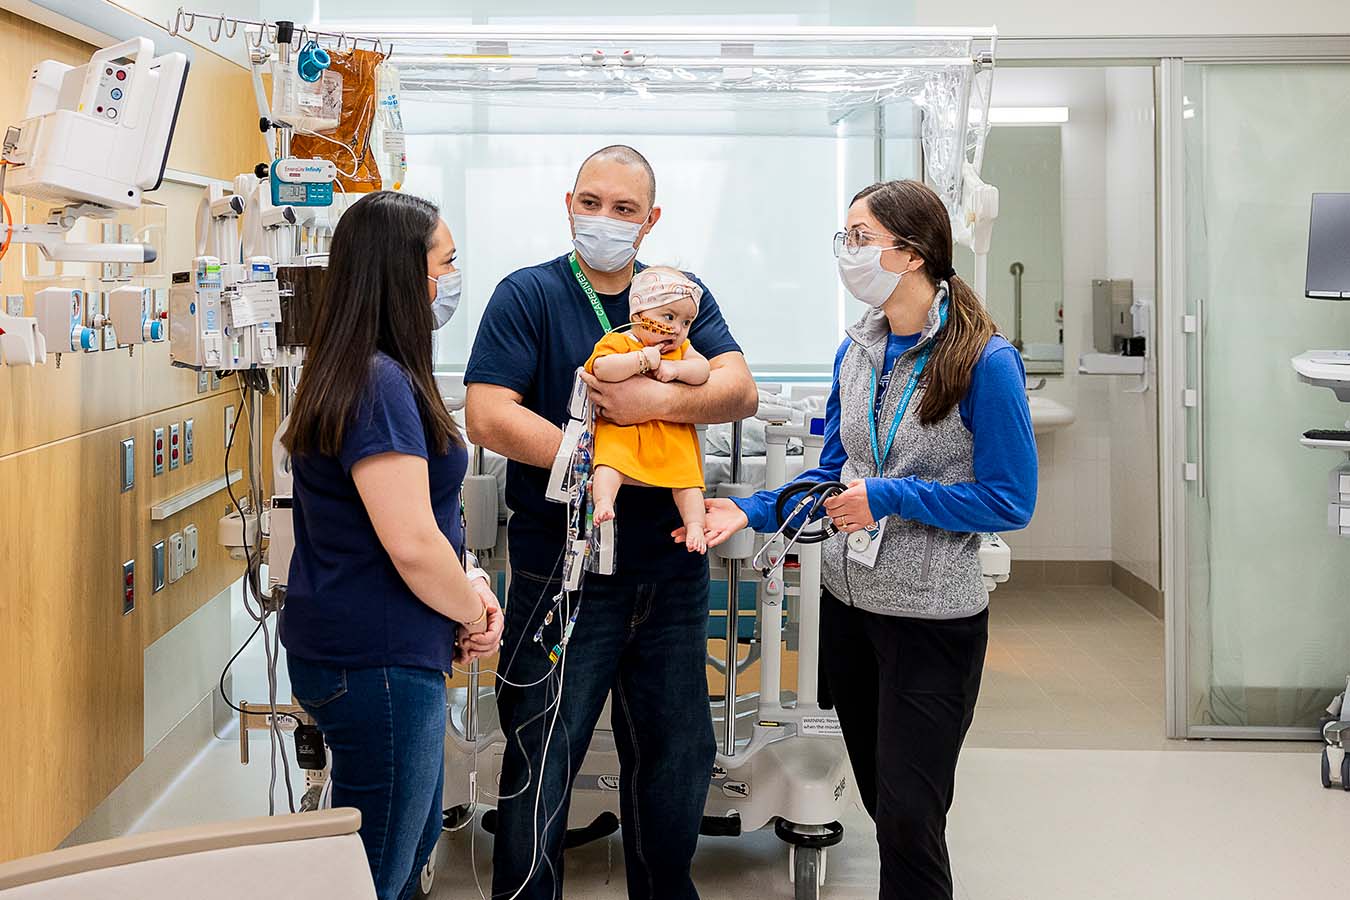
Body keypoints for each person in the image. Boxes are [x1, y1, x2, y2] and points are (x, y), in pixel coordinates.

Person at [690, 179, 1037, 900]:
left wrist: (886, 496)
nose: (846, 252)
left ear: (909, 254)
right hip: (851, 611)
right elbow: (829, 472)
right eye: (845, 238)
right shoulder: (858, 349)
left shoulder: (985, 362)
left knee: (913, 820)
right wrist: (748, 511)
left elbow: (1010, 500)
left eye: (859, 237)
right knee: (887, 805)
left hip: (932, 623)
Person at [465, 145, 757, 900]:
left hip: (668, 573)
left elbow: (737, 389)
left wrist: (656, 406)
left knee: (676, 756)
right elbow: (489, 415)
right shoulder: (527, 295)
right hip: (562, 572)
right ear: (568, 203)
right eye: (590, 202)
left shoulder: (679, 299)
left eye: (624, 209)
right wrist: (595, 446)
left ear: (650, 220)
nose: (604, 219)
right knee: (543, 750)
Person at [279, 191, 505, 900]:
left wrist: (468, 584)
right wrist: (468, 610)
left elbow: (423, 524)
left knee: (406, 852)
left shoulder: (370, 370)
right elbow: (408, 543)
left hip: (379, 646)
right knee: (377, 870)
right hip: (374, 656)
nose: (451, 280)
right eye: (446, 264)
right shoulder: (376, 383)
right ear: (403, 274)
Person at [586, 266, 711, 554]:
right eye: (668, 317)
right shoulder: (619, 342)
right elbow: (602, 368)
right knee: (609, 462)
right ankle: (604, 502)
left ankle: (694, 525)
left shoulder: (680, 350)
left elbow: (703, 370)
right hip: (625, 431)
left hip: (670, 434)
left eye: (687, 322)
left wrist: (674, 368)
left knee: (688, 479)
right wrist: (642, 359)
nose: (678, 329)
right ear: (638, 315)